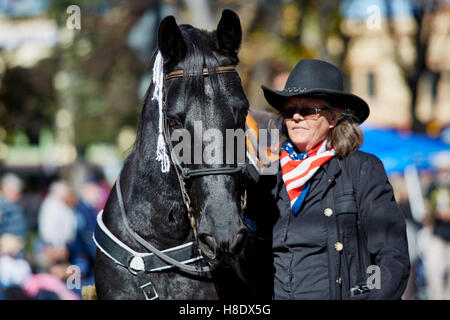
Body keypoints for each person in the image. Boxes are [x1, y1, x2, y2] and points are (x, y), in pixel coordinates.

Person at [241, 59, 410, 300]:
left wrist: (368, 295)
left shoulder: (362, 169)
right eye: (289, 111)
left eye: (308, 110)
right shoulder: (269, 178)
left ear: (333, 117)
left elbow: (391, 257)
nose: (296, 117)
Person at [0, 173, 27, 257]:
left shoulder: (14, 205)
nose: (20, 195)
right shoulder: (2, 206)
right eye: (17, 192)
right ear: (7, 189)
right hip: (8, 253)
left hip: (17, 251)